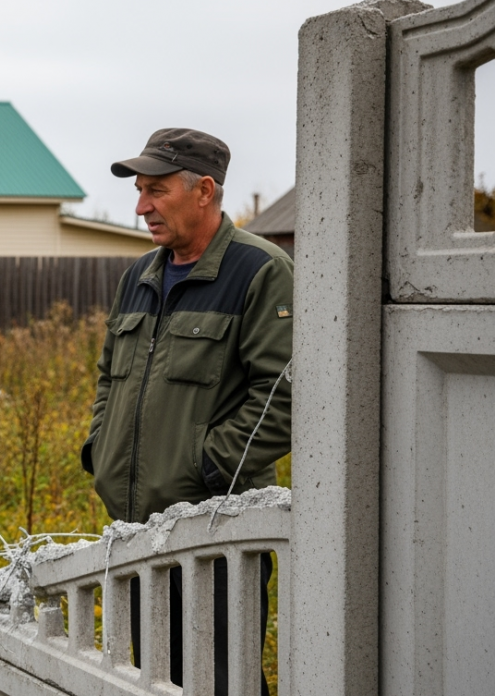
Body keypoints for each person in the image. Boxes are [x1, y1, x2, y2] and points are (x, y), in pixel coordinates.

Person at [81, 128, 292, 694]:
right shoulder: (140, 275)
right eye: (140, 191)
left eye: (156, 190)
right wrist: (100, 450)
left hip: (215, 534)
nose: (141, 206)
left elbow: (285, 395)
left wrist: (205, 467)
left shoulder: (259, 270)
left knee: (222, 681)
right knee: (152, 678)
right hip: (134, 530)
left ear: (203, 190)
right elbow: (109, 377)